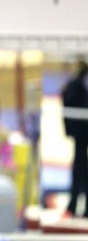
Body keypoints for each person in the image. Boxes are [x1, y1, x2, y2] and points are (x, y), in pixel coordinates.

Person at [61, 60, 88, 218]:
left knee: (80, 170)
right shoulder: (75, 84)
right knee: (79, 169)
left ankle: (76, 205)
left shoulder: (76, 84)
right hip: (81, 134)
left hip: (81, 132)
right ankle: (73, 205)